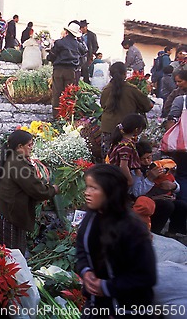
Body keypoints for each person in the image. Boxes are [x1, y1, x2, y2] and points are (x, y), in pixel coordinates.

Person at [76, 164, 156, 318]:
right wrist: (85, 271)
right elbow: (81, 251)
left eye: (94, 188)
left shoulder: (133, 228)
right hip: (96, 307)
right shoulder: (90, 219)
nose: (87, 192)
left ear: (110, 191)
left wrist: (106, 287)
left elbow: (146, 276)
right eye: (87, 187)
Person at [0, 130, 59, 254]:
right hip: (8, 216)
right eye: (29, 145)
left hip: (4, 212)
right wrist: (52, 189)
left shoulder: (12, 158)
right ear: (20, 147)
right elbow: (37, 190)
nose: (31, 148)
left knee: (3, 254)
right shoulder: (18, 164)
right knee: (10, 256)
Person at [133, 140, 187, 236]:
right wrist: (150, 179)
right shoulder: (136, 171)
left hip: (164, 195)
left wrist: (173, 186)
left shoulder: (157, 165)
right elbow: (136, 193)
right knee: (166, 206)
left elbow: (176, 185)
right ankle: (154, 231)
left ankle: (174, 232)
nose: (146, 161)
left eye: (149, 157)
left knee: (181, 205)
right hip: (147, 199)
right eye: (143, 159)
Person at [100, 62, 153, 159]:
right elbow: (147, 106)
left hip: (108, 128)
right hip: (127, 130)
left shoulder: (106, 89)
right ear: (125, 74)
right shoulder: (132, 89)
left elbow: (103, 105)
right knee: (125, 159)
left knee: (108, 158)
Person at [47, 22, 87, 117]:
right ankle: (66, 116)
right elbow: (85, 51)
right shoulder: (78, 45)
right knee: (68, 94)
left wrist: (51, 59)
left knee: (57, 92)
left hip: (58, 70)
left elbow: (51, 55)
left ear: (67, 31)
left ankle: (56, 115)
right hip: (71, 71)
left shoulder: (59, 42)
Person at [106, 113, 147, 186]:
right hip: (121, 177)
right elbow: (123, 166)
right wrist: (130, 180)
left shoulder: (120, 139)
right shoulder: (126, 145)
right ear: (136, 130)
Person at [79, 20, 99, 84]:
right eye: (81, 27)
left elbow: (96, 46)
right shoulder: (78, 35)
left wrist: (92, 53)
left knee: (86, 69)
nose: (83, 29)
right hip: (79, 55)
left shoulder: (91, 35)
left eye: (84, 27)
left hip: (87, 55)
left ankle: (86, 82)